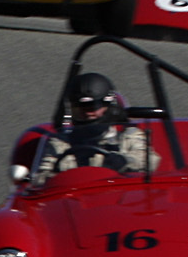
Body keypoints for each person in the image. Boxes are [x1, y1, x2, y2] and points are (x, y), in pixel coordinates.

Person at [30, 72, 160, 183]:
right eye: (79, 108)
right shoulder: (60, 142)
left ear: (108, 106)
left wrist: (123, 161)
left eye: (93, 107)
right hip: (74, 197)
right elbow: (41, 179)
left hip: (121, 196)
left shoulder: (128, 135)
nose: (87, 113)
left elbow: (149, 160)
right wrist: (66, 171)